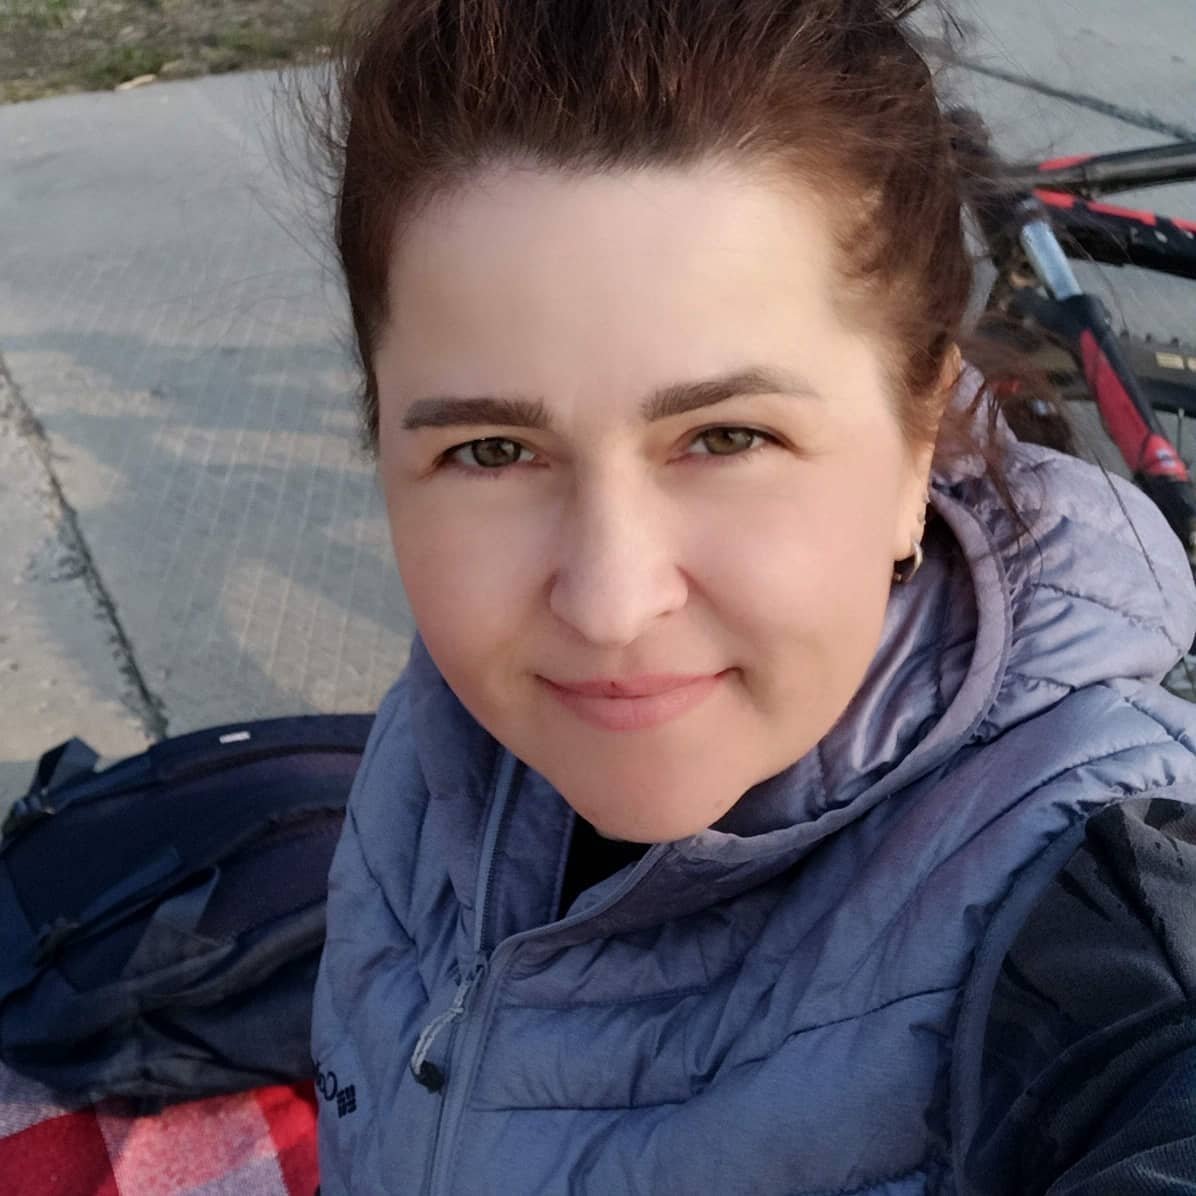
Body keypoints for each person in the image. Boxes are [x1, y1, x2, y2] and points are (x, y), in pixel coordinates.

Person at [307, 0, 1196, 1191]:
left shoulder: (1096, 886)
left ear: (919, 442)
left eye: (726, 436)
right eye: (491, 451)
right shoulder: (435, 747)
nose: (609, 602)